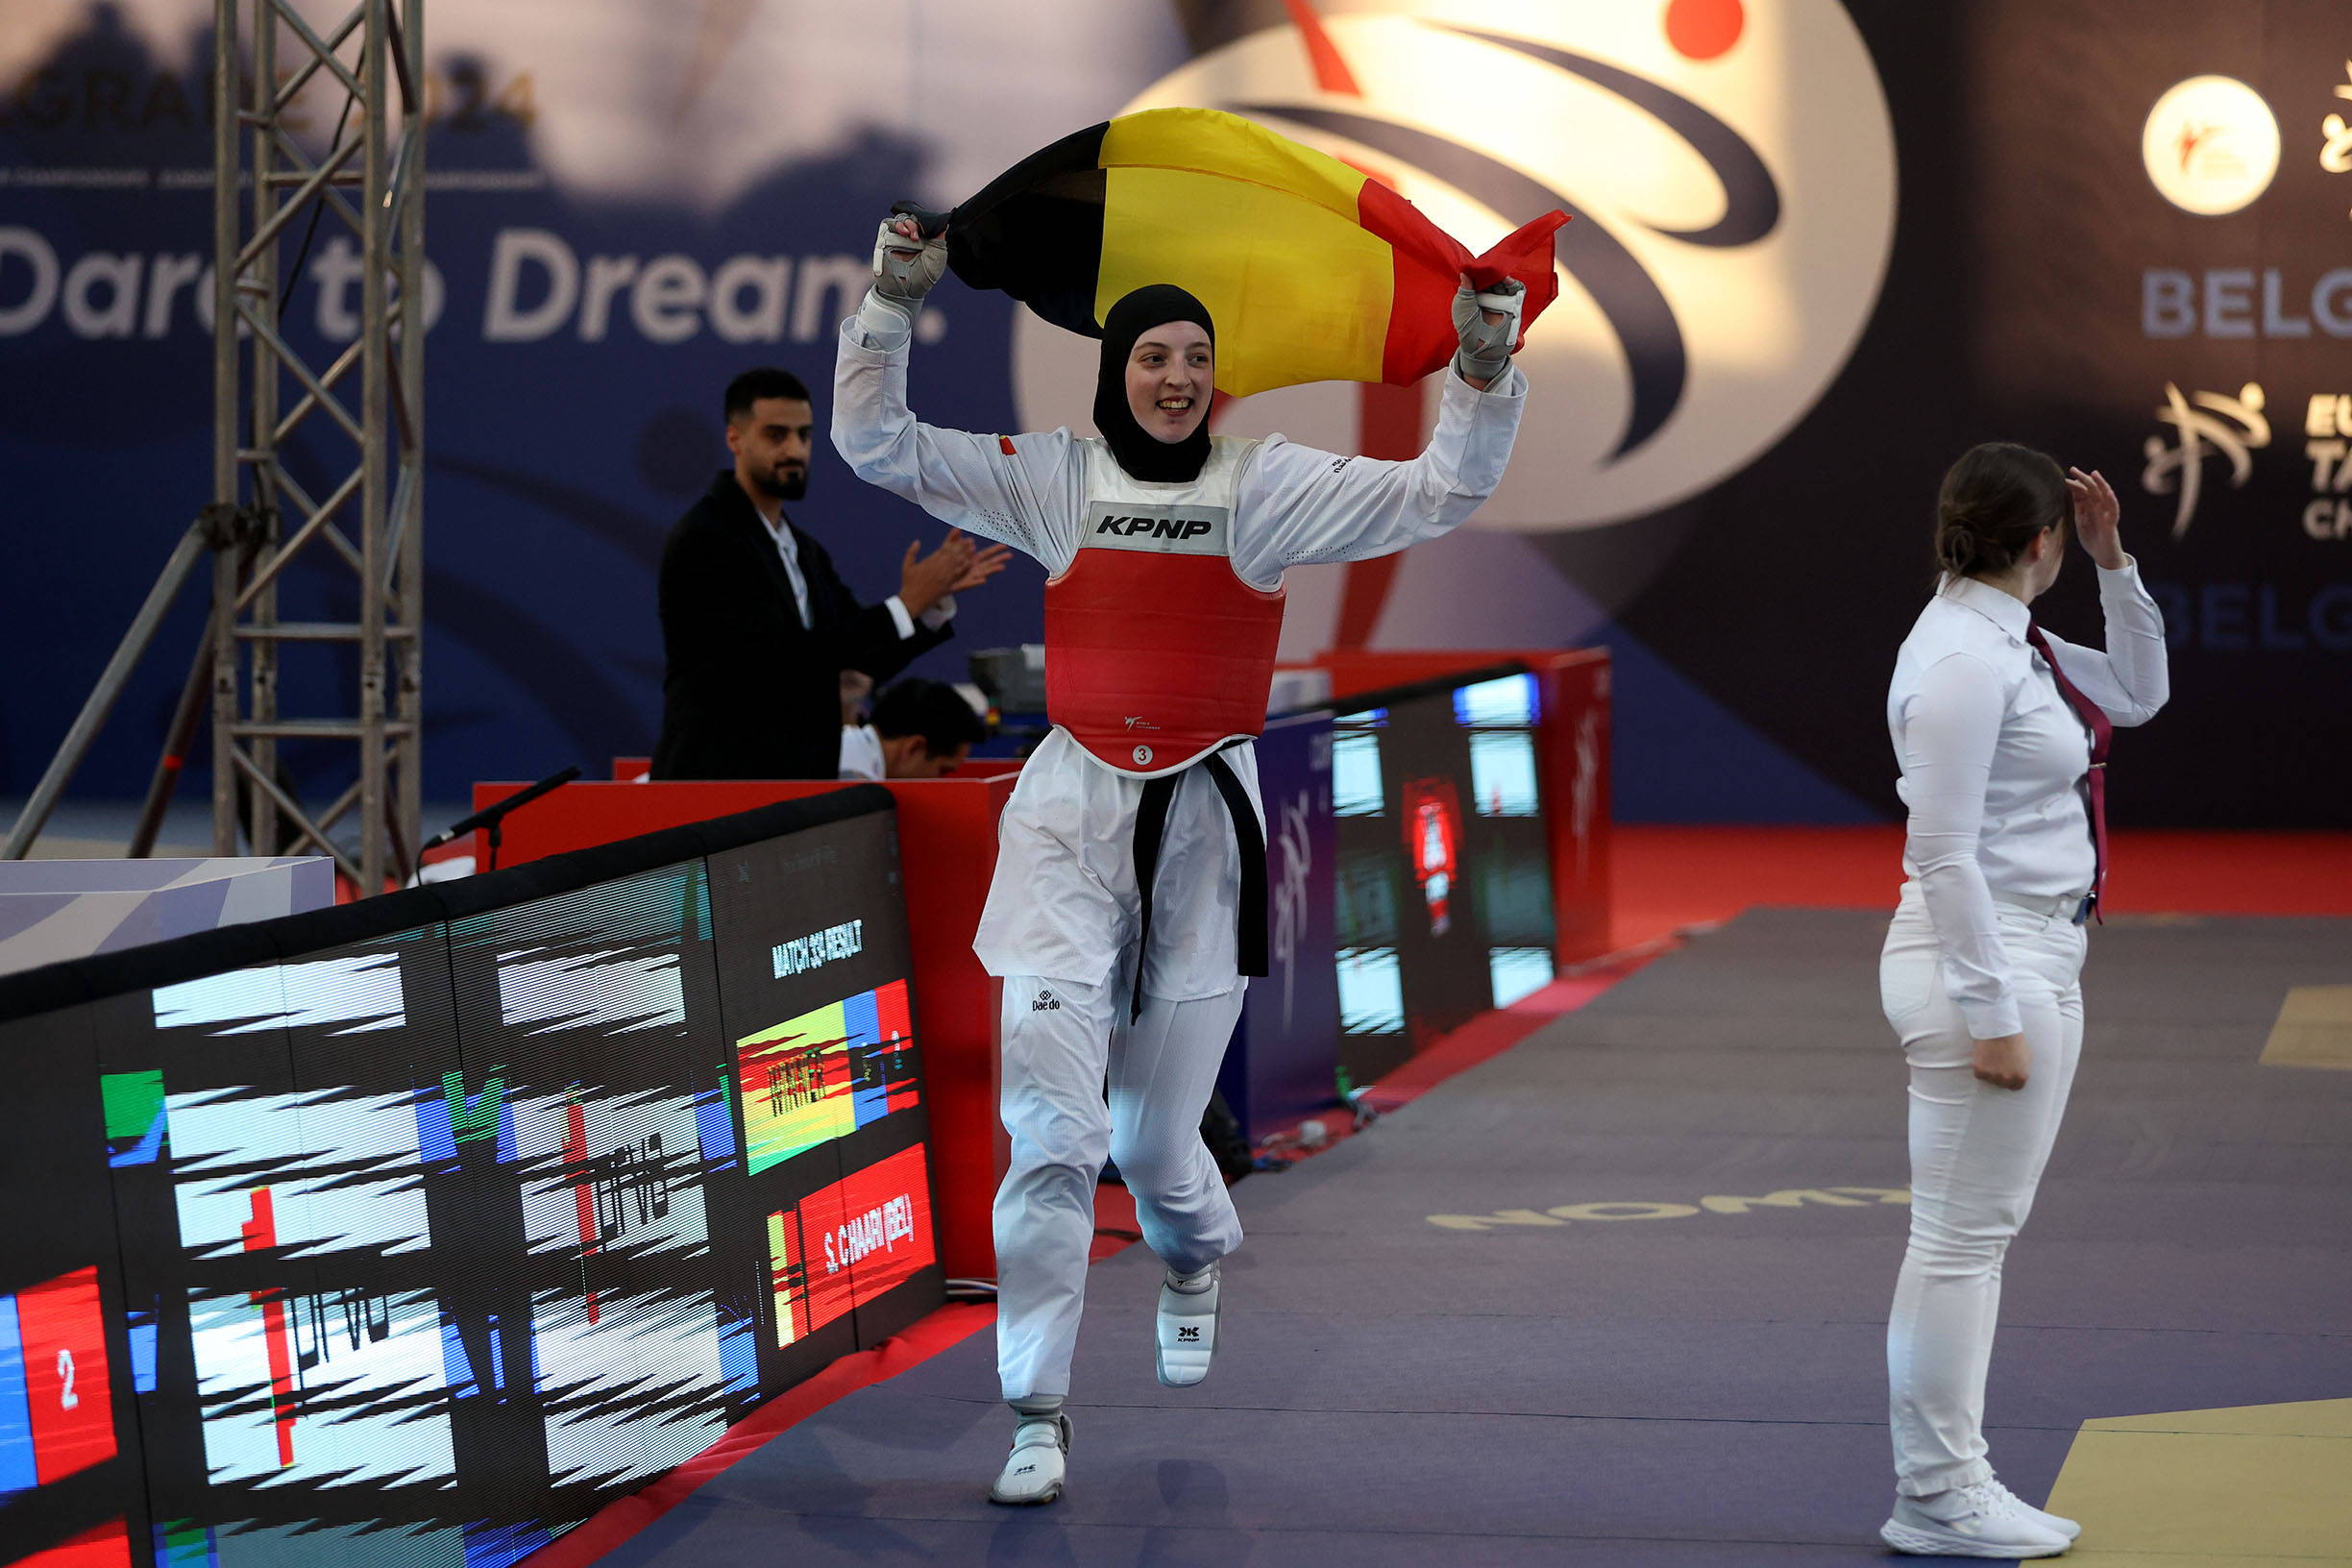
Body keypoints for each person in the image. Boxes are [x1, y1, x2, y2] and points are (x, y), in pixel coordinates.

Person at [835, 213, 1529, 1506]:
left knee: (1156, 1148)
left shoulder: (1263, 487)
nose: (1176, 377)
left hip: (1205, 839)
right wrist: (888, 303)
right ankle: (1036, 1410)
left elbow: (1444, 489)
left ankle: (1195, 1255)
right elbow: (876, 442)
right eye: (1154, 354)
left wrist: (1482, 374)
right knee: (1051, 1132)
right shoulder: (1053, 476)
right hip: (1066, 828)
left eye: (1195, 358)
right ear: (1116, 368)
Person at [1877, 446, 2167, 1556]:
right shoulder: (1960, 657)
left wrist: (2115, 567)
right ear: (2038, 539)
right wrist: (1994, 1010)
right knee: (1960, 1246)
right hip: (1985, 962)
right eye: (2071, 539)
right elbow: (1941, 851)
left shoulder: (2014, 642)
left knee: (1969, 1240)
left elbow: (2138, 696)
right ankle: (1941, 1496)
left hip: (2034, 955)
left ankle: (1942, 1489)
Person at [649, 366, 1011, 780]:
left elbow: (858, 656)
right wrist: (905, 603)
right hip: (716, 782)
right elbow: (776, 662)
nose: (795, 450)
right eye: (776, 435)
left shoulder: (803, 551)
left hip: (791, 783)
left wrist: (928, 606)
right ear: (735, 438)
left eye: (803, 435)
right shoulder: (705, 539)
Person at [840, 676, 989, 780]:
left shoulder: (843, 748)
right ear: (914, 747)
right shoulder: (850, 782)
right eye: (943, 771)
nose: (940, 783)